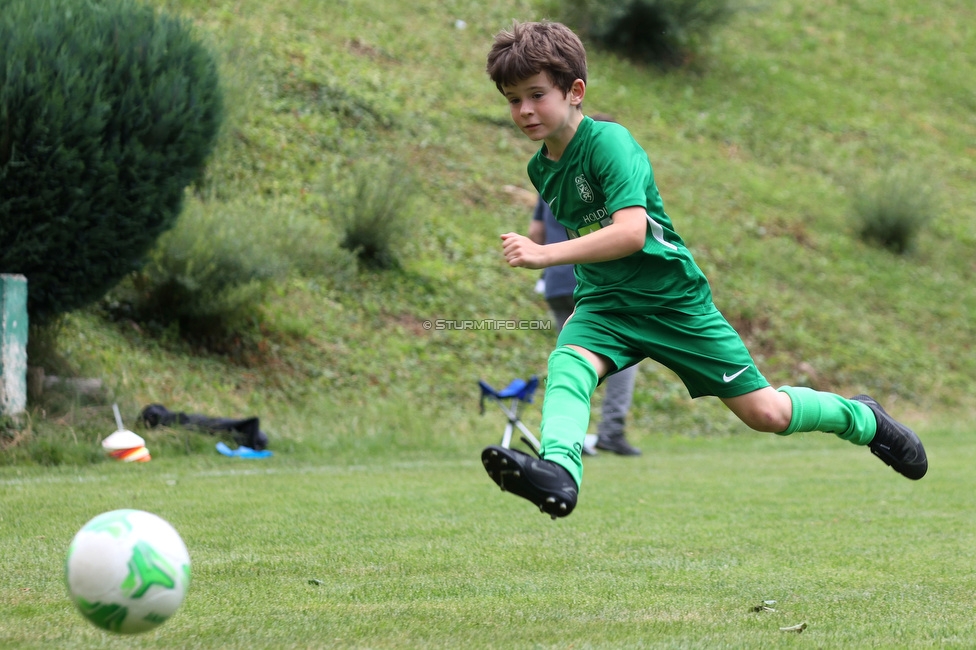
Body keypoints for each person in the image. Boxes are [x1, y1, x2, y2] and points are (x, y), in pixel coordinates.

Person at [480, 21, 927, 519]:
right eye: (512, 99)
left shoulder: (611, 143)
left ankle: (862, 419)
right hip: (606, 305)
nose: (523, 110)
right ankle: (559, 472)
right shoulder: (541, 167)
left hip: (672, 304)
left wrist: (544, 255)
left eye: (536, 95)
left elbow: (630, 232)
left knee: (767, 414)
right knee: (569, 364)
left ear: (575, 91)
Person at [530, 193, 642, 456]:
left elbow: (535, 232)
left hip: (557, 280)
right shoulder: (601, 175)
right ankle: (611, 431)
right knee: (625, 350)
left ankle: (566, 435)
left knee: (571, 359)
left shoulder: (550, 179)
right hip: (597, 279)